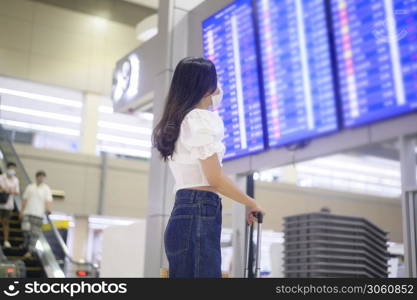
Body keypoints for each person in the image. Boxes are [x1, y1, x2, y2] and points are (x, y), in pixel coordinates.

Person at [152, 57, 265, 278]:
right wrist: (250, 202)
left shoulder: (178, 120)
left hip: (182, 212)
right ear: (207, 86)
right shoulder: (200, 119)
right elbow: (214, 178)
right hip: (200, 212)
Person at [19, 170, 53, 259]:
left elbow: (48, 201)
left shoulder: (46, 189)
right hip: (27, 212)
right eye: (40, 176)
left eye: (43, 177)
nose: (41, 178)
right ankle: (26, 242)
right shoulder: (30, 187)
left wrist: (49, 210)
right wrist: (21, 211)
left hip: (38, 214)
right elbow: (24, 199)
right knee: (25, 229)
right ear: (36, 177)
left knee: (35, 234)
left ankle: (30, 251)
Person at [0, 162, 20, 248]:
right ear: (7, 168)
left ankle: (6, 240)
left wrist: (8, 190)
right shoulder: (1, 177)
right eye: (11, 168)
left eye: (14, 169)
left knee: (6, 222)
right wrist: (7, 189)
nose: (12, 170)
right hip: (0, 202)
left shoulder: (16, 180)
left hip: (9, 204)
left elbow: (17, 191)